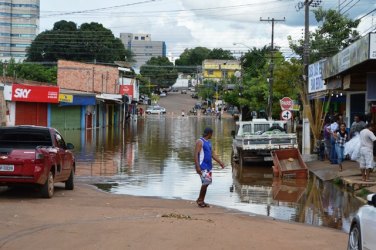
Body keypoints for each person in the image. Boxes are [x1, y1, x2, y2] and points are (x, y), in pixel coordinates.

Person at [194, 127, 225, 208]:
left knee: (207, 183)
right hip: (202, 166)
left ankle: (200, 199)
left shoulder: (209, 142)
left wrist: (220, 162)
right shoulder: (200, 141)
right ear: (209, 133)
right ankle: (200, 201)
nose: (212, 135)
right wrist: (197, 167)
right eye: (212, 133)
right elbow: (196, 155)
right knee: (205, 183)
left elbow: (212, 154)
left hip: (208, 166)